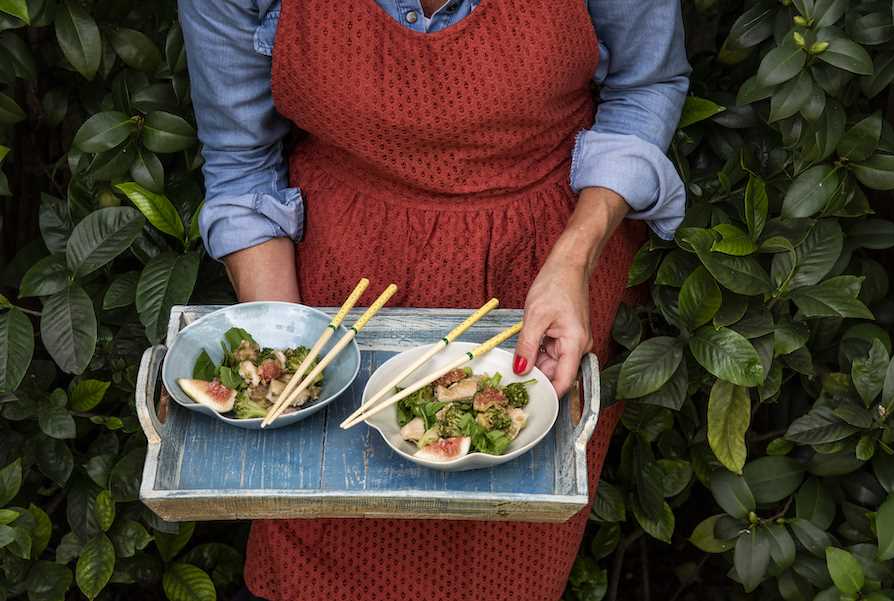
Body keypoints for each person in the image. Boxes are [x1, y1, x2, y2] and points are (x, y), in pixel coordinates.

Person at [180, 1, 689, 599]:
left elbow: (644, 86)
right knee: (316, 550)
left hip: (545, 282)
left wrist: (576, 254)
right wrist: (291, 359)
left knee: (505, 565)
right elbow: (242, 161)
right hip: (333, 288)